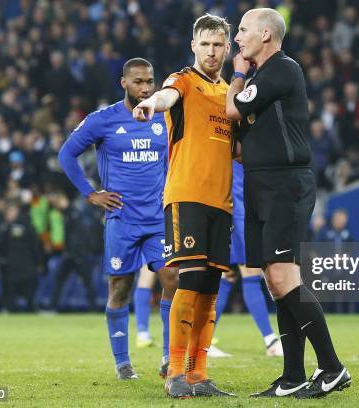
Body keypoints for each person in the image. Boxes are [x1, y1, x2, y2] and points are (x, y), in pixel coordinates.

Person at [226, 8, 350, 399]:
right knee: (274, 282)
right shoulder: (265, 75)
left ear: (265, 33)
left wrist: (237, 73)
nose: (237, 38)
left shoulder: (282, 68)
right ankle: (292, 375)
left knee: (284, 277)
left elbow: (232, 109)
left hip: (285, 183)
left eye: (243, 30)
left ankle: (332, 368)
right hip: (260, 184)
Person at [133, 14, 235, 398]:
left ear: (227, 48)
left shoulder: (230, 92)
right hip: (187, 195)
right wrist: (150, 104)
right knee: (190, 280)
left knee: (210, 288)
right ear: (194, 46)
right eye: (205, 44)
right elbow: (166, 96)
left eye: (218, 44)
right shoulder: (183, 81)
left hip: (220, 202)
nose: (211, 51)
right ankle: (175, 371)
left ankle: (199, 374)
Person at [58, 58, 178, 380]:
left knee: (173, 280)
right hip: (121, 219)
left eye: (150, 81)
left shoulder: (163, 118)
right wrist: (90, 193)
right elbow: (66, 154)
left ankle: (169, 357)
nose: (145, 88)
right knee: (120, 290)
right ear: (123, 83)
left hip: (157, 218)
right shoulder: (103, 120)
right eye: (138, 81)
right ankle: (123, 362)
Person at [212, 160, 284, 358]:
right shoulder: (239, 145)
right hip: (238, 212)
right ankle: (270, 340)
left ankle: (204, 341)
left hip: (235, 209)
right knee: (250, 271)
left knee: (229, 276)